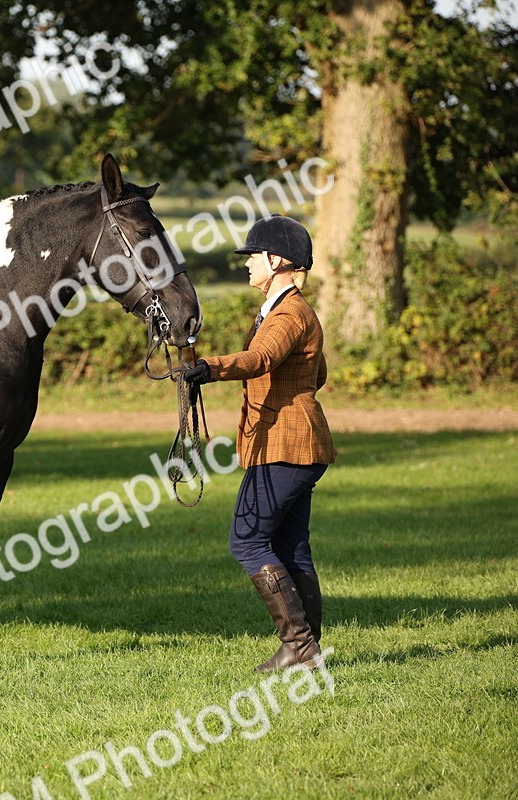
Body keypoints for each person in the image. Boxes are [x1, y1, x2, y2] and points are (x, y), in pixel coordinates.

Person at [183, 214, 336, 671]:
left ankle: (300, 645)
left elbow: (263, 357)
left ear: (276, 260)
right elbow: (318, 373)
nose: (247, 264)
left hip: (285, 445)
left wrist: (210, 368)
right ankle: (308, 652)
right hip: (294, 443)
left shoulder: (288, 313)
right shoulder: (285, 310)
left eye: (253, 256)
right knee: (291, 546)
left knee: (247, 541)